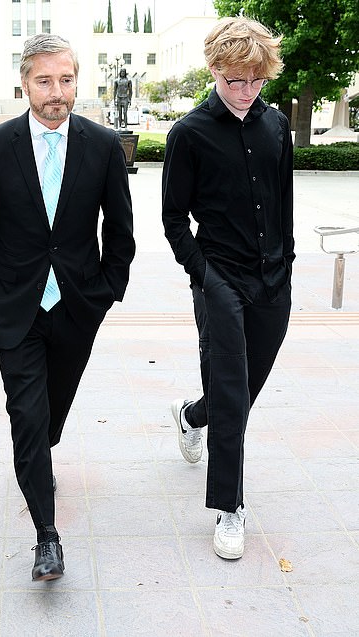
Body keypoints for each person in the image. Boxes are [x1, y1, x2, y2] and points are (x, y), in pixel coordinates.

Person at [0, 34, 135, 581]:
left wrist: (107, 291)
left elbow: (121, 230)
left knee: (51, 414)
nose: (56, 92)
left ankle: (40, 453)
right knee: (28, 417)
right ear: (24, 84)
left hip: (78, 305)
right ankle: (47, 534)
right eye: (44, 81)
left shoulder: (104, 145)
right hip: (13, 304)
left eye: (65, 80)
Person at [162, 16, 294, 560]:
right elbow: (174, 221)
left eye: (256, 80)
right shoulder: (188, 134)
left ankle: (193, 416)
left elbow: (284, 201)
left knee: (240, 387)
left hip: (274, 276)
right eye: (235, 79)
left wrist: (287, 260)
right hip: (220, 277)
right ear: (215, 70)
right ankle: (230, 508)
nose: (246, 91)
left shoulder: (276, 125)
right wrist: (203, 273)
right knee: (235, 394)